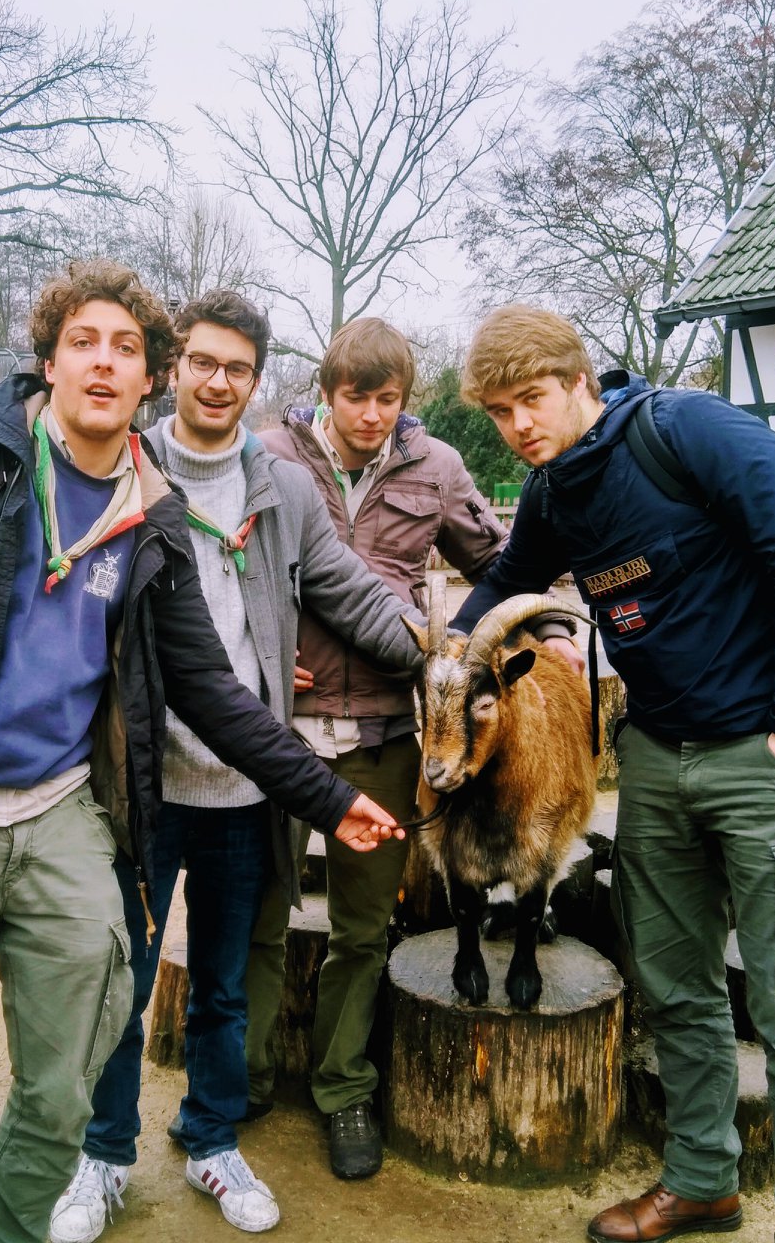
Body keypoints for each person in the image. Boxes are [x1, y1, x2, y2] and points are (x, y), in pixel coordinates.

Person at [0, 259, 403, 1243]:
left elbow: (210, 688)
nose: (104, 361)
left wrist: (328, 798)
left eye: (126, 348)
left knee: (65, 1086)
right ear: (49, 359)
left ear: (147, 379)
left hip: (63, 817)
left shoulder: (151, 519)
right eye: (84, 340)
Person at [453, 305, 775, 1243]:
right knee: (676, 988)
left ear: (578, 380)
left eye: (533, 400)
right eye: (500, 413)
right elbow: (510, 576)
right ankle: (702, 1181)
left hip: (764, 759)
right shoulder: (554, 492)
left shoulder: (689, 432)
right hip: (653, 757)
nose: (519, 426)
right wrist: (448, 651)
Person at [52, 291, 424, 1243]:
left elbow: (347, 592)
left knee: (223, 983)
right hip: (143, 784)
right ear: (174, 368)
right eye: (204, 363)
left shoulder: (285, 490)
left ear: (259, 382)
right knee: (123, 985)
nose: (219, 382)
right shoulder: (126, 468)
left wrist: (443, 657)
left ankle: (212, 1138)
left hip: (248, 784)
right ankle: (103, 1156)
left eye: (240, 369)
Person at [241, 317, 510, 1181]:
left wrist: (482, 645)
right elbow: (216, 563)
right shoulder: (267, 454)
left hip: (386, 735)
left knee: (363, 929)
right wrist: (253, 646)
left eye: (386, 399)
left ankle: (342, 1089)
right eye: (354, 396)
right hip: (275, 736)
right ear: (327, 390)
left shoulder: (439, 470)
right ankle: (236, 1076)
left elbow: (498, 564)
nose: (368, 415)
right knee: (256, 916)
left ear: (406, 401)